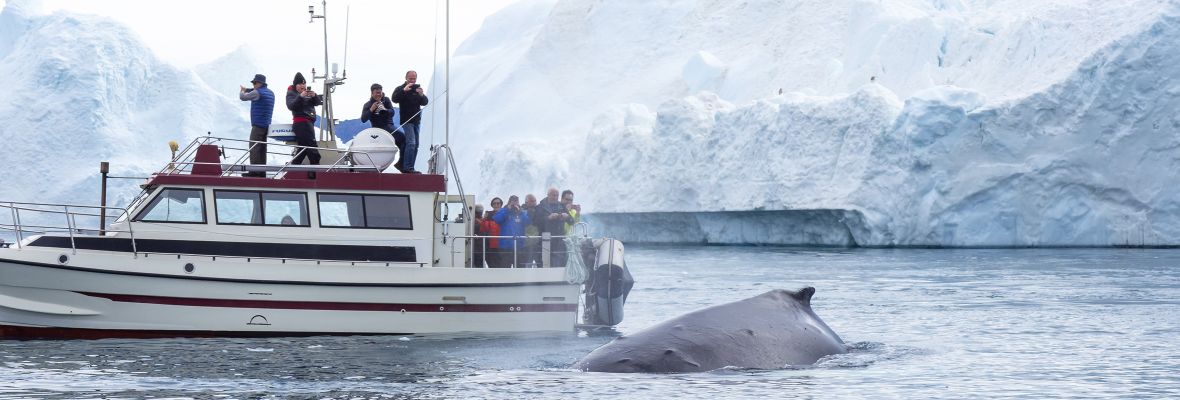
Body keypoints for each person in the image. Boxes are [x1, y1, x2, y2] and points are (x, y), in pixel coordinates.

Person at [359, 83, 406, 171]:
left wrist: (385, 110)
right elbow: (363, 119)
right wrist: (371, 110)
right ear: (372, 93)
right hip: (376, 129)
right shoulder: (368, 104)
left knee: (403, 138)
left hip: (388, 126)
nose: (379, 94)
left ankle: (401, 163)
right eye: (377, 93)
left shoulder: (386, 100)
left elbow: (392, 112)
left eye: (380, 92)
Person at [391, 70, 428, 173]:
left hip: (416, 120)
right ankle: (407, 167)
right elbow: (394, 99)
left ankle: (410, 167)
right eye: (410, 78)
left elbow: (425, 102)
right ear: (406, 78)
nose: (412, 80)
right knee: (411, 143)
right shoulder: (400, 88)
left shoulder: (417, 89)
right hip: (407, 120)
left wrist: (421, 94)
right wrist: (404, 90)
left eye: (414, 79)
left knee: (416, 145)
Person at [238, 73, 274, 177]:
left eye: (254, 83)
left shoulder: (257, 93)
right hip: (266, 124)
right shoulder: (270, 93)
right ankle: (262, 171)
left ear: (260, 83)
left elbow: (243, 97)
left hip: (258, 124)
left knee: (254, 147)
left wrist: (242, 90)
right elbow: (254, 91)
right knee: (262, 148)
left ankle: (254, 171)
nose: (253, 85)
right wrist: (248, 89)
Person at [286, 72, 323, 166]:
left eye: (304, 84)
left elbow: (318, 102)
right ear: (295, 85)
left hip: (308, 123)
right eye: (300, 84)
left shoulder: (307, 93)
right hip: (301, 123)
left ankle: (294, 168)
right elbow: (291, 106)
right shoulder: (291, 93)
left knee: (303, 149)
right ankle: (315, 172)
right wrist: (300, 97)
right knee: (312, 148)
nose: (302, 86)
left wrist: (314, 96)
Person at [536, 187, 572, 267]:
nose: (555, 197)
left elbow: (571, 221)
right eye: (553, 195)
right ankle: (544, 279)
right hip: (545, 239)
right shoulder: (540, 207)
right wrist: (548, 218)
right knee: (545, 264)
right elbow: (536, 222)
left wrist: (567, 217)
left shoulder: (562, 206)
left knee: (559, 263)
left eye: (556, 195)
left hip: (559, 239)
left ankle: (558, 279)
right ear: (548, 195)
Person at [493, 195, 531, 268]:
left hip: (519, 246)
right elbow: (497, 220)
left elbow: (527, 222)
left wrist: (520, 212)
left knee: (520, 268)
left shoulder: (522, 212)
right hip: (505, 246)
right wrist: (508, 209)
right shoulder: (503, 210)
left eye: (516, 201)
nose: (515, 204)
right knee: (505, 268)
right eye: (513, 201)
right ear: (509, 202)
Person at [522, 194, 541, 266]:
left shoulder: (540, 210)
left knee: (539, 263)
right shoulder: (522, 211)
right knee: (527, 264)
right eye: (532, 201)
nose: (534, 202)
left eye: (535, 201)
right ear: (526, 202)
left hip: (537, 242)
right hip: (527, 243)